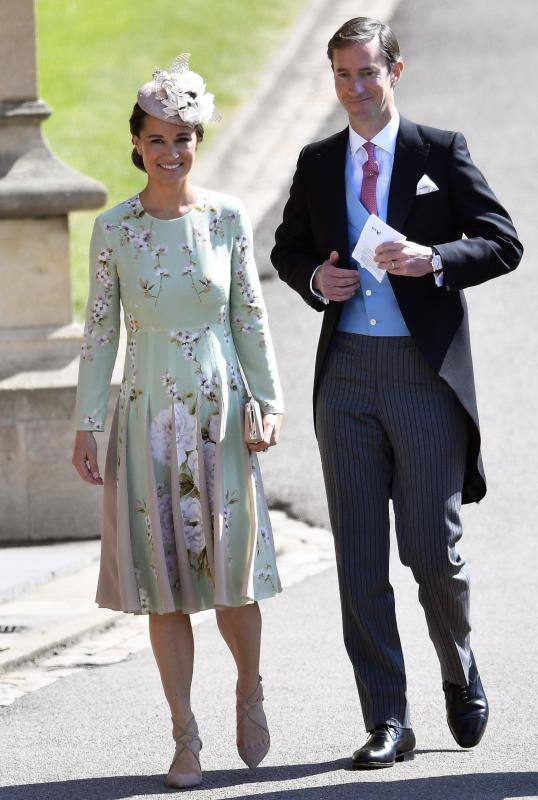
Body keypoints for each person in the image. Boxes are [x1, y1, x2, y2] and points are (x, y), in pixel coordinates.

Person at [271, 17, 522, 769]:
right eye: (342, 76)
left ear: (395, 72)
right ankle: (388, 718)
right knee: (359, 558)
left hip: (423, 377)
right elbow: (285, 246)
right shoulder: (319, 161)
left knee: (430, 552)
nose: (355, 90)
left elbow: (503, 240)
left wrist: (432, 258)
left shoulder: (438, 152)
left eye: (367, 74)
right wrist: (316, 279)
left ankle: (460, 662)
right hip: (344, 374)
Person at [72, 55, 284, 788]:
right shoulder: (114, 230)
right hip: (145, 413)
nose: (171, 153)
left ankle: (249, 688)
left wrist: (269, 399)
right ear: (136, 143)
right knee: (165, 583)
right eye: (157, 139)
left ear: (199, 141)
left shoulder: (226, 218)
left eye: (184, 138)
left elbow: (248, 315)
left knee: (233, 575)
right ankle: (184, 737)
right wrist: (86, 422)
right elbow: (101, 332)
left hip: (221, 411)